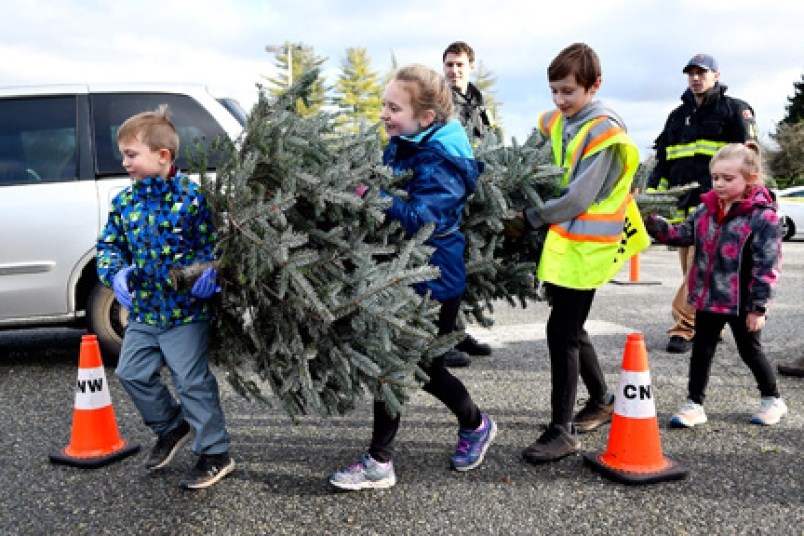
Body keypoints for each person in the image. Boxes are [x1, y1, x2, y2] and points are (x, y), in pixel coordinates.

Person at [328, 64, 496, 491]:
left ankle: (379, 462)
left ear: (425, 118)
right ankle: (476, 425)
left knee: (395, 367)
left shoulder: (440, 160)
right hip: (407, 272)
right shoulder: (407, 143)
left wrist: (372, 197)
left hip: (432, 280)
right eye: (383, 104)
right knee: (426, 370)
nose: (383, 114)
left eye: (393, 107)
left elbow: (422, 218)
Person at [96, 105, 234, 489]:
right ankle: (172, 427)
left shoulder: (192, 199)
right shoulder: (125, 202)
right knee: (130, 372)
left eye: (131, 154)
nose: (124, 162)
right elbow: (109, 245)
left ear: (163, 156)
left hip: (186, 312)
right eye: (123, 154)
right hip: (144, 311)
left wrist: (211, 274)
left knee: (191, 381)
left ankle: (215, 452)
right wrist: (116, 270)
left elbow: (215, 248)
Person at [518, 43, 639, 463]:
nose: (560, 100)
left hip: (588, 247)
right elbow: (528, 160)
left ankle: (562, 431)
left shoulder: (604, 131)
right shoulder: (554, 120)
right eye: (554, 90)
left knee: (562, 333)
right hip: (563, 244)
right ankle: (602, 399)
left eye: (569, 91)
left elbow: (579, 196)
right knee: (573, 328)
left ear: (595, 86)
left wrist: (528, 217)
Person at [646, 142, 787, 427]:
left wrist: (758, 308)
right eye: (715, 178)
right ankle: (694, 403)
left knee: (750, 351)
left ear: (751, 178)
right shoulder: (706, 210)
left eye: (728, 178)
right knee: (702, 350)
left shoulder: (763, 218)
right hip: (708, 297)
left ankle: (773, 398)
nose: (719, 184)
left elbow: (767, 267)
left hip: (743, 302)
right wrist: (654, 223)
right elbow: (681, 235)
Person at [647, 53, 758, 354]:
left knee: (698, 270)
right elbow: (663, 163)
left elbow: (749, 160)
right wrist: (653, 197)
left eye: (702, 72)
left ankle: (683, 327)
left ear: (716, 75)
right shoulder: (676, 117)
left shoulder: (735, 110)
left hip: (718, 211)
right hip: (685, 212)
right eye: (691, 73)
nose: (695, 78)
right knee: (693, 271)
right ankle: (712, 324)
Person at [441, 40, 494, 367]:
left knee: (467, 267)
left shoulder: (476, 100)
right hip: (448, 191)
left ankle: (458, 331)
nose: (454, 70)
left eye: (459, 65)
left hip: (474, 191)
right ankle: (442, 339)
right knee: (448, 267)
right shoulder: (441, 101)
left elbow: (485, 139)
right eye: (449, 64)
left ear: (470, 66)